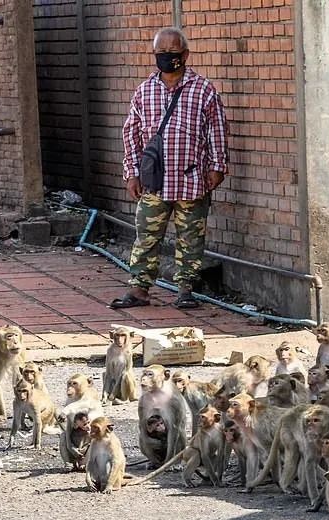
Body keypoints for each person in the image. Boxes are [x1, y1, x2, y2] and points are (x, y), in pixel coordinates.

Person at [111, 27, 228, 310]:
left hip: (192, 179)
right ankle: (139, 290)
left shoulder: (203, 89)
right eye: (160, 52)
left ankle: (186, 289)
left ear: (185, 55)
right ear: (154, 55)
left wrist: (218, 166)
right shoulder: (144, 91)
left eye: (172, 52)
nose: (166, 57)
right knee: (147, 236)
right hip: (154, 181)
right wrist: (132, 172)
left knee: (191, 238)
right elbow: (132, 134)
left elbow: (217, 129)